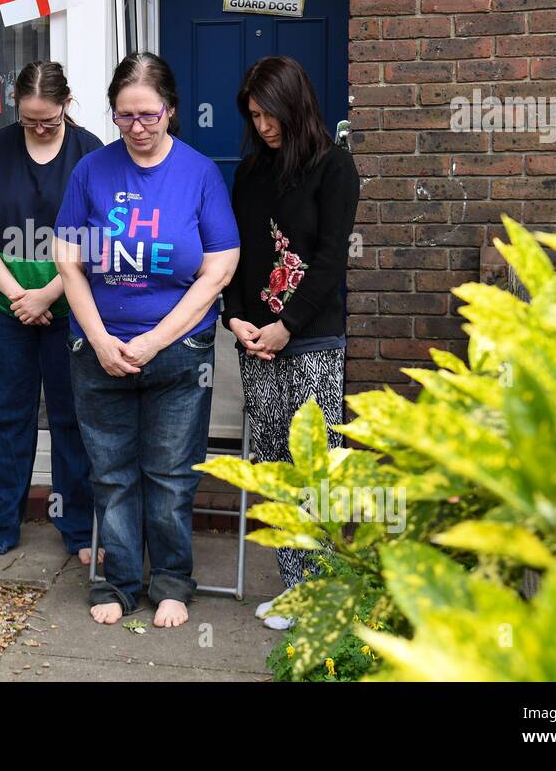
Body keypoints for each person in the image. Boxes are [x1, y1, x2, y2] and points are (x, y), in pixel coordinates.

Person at [54, 52, 240, 628]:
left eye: (148, 115)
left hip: (179, 353)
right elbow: (67, 257)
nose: (137, 127)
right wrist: (100, 338)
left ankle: (173, 583)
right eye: (124, 116)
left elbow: (220, 267)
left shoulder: (199, 173)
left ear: (170, 110)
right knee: (110, 473)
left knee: (170, 474)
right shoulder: (91, 172)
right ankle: (118, 582)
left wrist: (156, 340)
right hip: (99, 351)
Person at [220, 55, 360, 630]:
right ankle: (294, 587)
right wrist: (235, 319)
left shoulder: (334, 168)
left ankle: (320, 594)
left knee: (313, 470)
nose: (262, 125)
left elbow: (329, 263)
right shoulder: (250, 174)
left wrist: (287, 325)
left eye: (269, 113)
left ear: (294, 105)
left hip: (312, 344)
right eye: (253, 115)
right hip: (257, 344)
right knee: (274, 469)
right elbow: (236, 255)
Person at [0, 61, 103, 565]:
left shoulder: (91, 153)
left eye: (49, 120)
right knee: (8, 417)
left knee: (72, 417)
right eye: (29, 120)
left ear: (67, 104)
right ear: (16, 108)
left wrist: (47, 294)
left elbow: (101, 237)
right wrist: (19, 294)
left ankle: (81, 530)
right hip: (2, 306)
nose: (39, 129)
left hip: (70, 306)